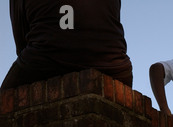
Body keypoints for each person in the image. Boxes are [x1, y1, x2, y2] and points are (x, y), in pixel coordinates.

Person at [1, 0, 133, 90]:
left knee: (4, 104)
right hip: (115, 68)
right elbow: (109, 25)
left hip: (45, 58)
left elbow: (21, 41)